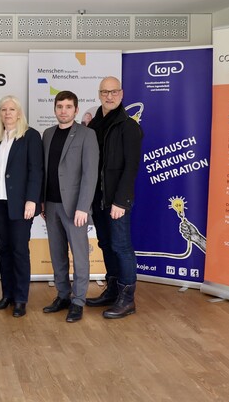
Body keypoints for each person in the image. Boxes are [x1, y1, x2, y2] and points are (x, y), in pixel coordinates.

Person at [0, 95, 43, 318]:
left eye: (12, 109)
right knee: (4, 250)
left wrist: (32, 199)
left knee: (19, 250)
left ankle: (21, 299)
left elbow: (36, 170)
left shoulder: (30, 136)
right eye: (3, 110)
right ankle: (7, 295)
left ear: (19, 113)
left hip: (21, 204)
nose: (7, 113)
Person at [86, 76, 143, 319]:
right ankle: (112, 290)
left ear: (121, 94)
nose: (109, 96)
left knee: (121, 247)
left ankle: (127, 299)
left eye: (113, 92)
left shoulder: (129, 127)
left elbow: (131, 168)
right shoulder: (93, 125)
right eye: (104, 92)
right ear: (99, 95)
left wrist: (121, 201)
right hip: (98, 199)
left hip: (117, 201)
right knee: (106, 244)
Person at [41, 91, 99, 323]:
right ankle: (63, 295)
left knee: (80, 255)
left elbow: (90, 174)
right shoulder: (47, 134)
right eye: (59, 106)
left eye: (68, 107)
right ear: (55, 109)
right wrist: (42, 201)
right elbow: (45, 171)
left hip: (75, 207)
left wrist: (83, 207)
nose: (63, 111)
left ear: (76, 110)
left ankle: (78, 301)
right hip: (51, 205)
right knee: (57, 254)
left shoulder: (87, 134)